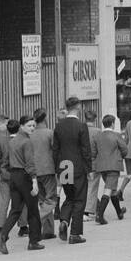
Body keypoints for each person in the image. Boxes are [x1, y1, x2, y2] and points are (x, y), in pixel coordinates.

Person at [0, 119, 43, 253]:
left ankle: (3, 235)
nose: (32, 128)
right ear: (22, 126)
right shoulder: (27, 142)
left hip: (14, 176)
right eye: (29, 126)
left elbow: (5, 161)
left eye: (34, 125)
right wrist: (34, 181)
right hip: (25, 176)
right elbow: (30, 163)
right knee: (33, 209)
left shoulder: (12, 141)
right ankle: (33, 241)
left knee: (16, 209)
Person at [53, 96, 93, 244]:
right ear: (78, 107)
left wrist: (56, 168)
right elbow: (85, 150)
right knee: (79, 199)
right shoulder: (81, 126)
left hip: (64, 166)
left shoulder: (59, 126)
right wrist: (89, 169)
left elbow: (55, 149)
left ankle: (64, 220)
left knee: (69, 196)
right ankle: (75, 233)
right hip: (77, 166)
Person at [92, 114, 128, 225]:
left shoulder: (98, 136)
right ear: (112, 124)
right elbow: (124, 149)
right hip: (113, 166)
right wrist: (120, 157)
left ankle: (119, 212)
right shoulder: (116, 135)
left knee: (112, 189)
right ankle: (100, 215)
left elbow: (94, 152)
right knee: (108, 189)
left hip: (102, 166)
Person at [28, 110, 58, 239]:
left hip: (34, 170)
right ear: (45, 118)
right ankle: (37, 221)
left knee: (42, 200)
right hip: (48, 169)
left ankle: (48, 230)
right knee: (51, 199)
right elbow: (55, 150)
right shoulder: (50, 133)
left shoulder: (30, 134)